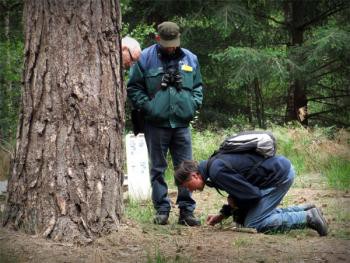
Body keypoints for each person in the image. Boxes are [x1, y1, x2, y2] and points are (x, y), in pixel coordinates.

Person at [127, 21, 203, 226]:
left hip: (181, 124)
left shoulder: (191, 58)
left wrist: (192, 105)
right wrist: (149, 107)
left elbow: (197, 88)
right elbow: (134, 88)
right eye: (167, 42)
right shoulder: (145, 58)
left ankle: (187, 211)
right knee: (157, 168)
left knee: (187, 168)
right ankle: (162, 210)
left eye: (175, 42)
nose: (172, 47)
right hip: (156, 124)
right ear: (157, 38)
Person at [174, 154, 328, 236]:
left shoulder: (216, 171)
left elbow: (252, 195)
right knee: (254, 215)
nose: (191, 191)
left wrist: (235, 208)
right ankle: (303, 209)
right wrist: (223, 214)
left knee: (254, 222)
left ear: (194, 176)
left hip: (279, 176)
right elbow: (239, 192)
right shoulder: (212, 168)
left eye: (188, 187)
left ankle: (308, 218)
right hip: (278, 172)